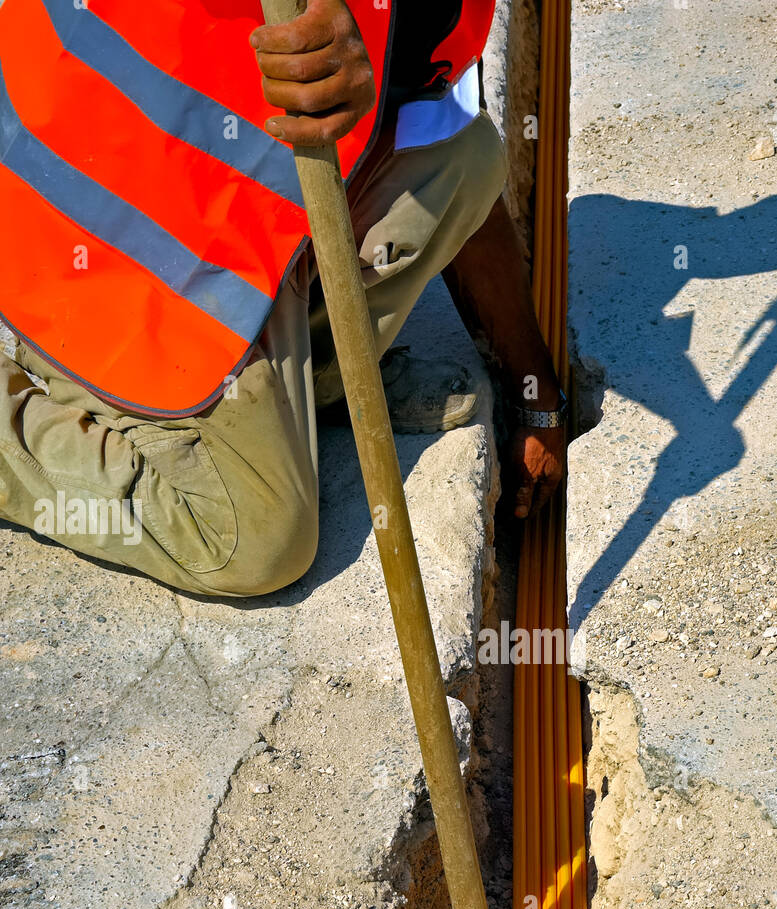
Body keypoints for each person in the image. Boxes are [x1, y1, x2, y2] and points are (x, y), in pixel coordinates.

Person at [0, 0, 565, 598]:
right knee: (256, 538)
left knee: (466, 158)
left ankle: (318, 381)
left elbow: (444, 124)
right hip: (111, 235)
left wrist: (537, 396)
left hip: (245, 212)